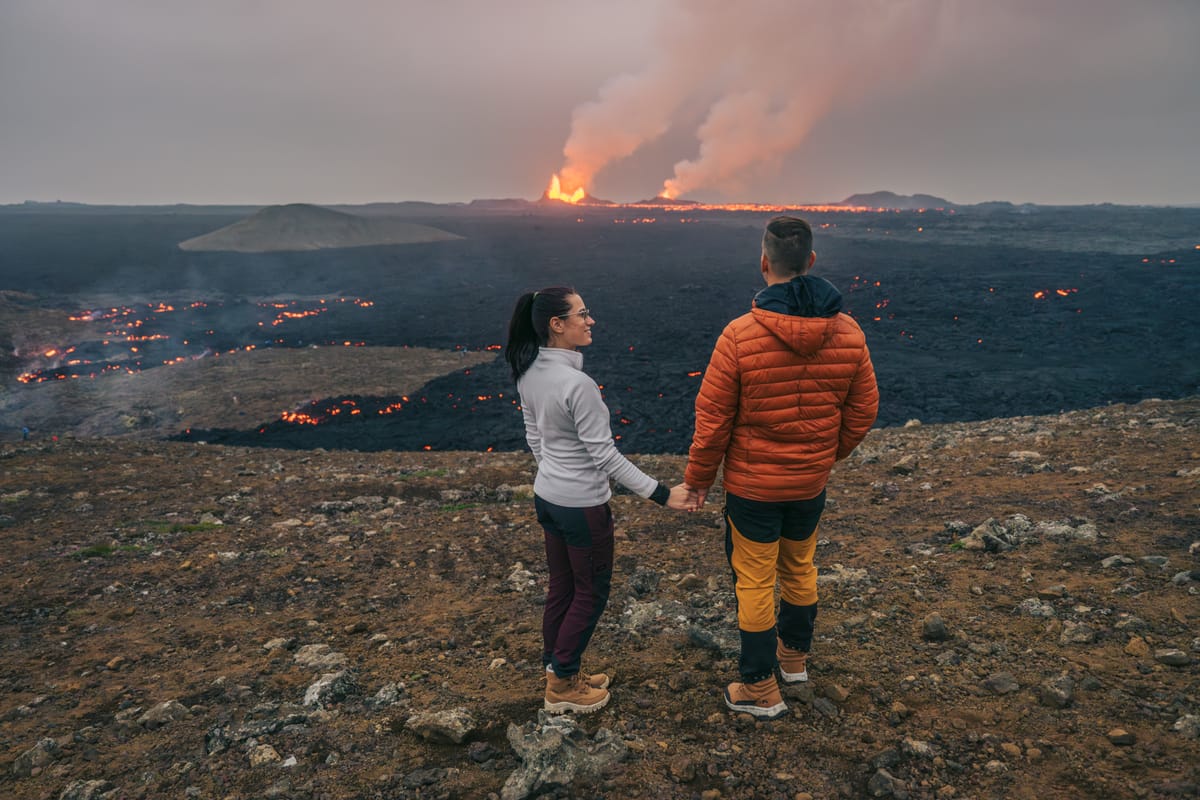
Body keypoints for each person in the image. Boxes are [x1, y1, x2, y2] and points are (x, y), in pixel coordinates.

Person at [683, 216, 879, 720]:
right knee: (799, 566)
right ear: (812, 262)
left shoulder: (740, 336)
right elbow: (863, 410)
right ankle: (794, 660)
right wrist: (826, 454)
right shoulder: (849, 333)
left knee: (753, 578)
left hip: (752, 489)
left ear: (764, 262)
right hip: (809, 484)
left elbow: (713, 420)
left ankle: (758, 686)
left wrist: (698, 481)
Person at [506, 286, 696, 714]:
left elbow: (534, 436)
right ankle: (563, 685)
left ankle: (558, 669)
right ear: (557, 324)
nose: (591, 321)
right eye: (582, 314)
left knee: (562, 587)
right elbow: (605, 456)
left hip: (548, 497)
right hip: (581, 507)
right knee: (590, 594)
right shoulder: (578, 384)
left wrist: (553, 474)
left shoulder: (529, 369)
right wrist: (665, 495)